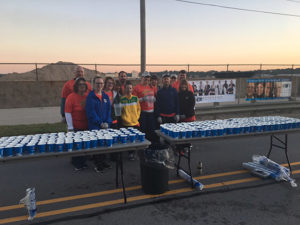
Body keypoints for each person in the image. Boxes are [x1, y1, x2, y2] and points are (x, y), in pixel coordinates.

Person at [86, 76, 112, 172]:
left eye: (101, 83)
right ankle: (98, 164)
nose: (99, 85)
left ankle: (103, 161)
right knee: (97, 145)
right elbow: (91, 113)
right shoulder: (90, 97)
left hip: (105, 126)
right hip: (95, 125)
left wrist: (107, 122)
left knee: (104, 144)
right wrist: (100, 123)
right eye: (97, 83)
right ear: (93, 84)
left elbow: (109, 111)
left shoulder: (105, 96)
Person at [65, 77, 89, 171]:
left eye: (84, 84)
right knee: (77, 146)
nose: (82, 86)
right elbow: (67, 113)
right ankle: (76, 163)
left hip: (86, 125)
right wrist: (70, 127)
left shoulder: (88, 96)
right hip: (76, 126)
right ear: (76, 86)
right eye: (80, 84)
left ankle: (83, 162)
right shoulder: (71, 97)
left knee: (84, 145)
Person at [133, 71, 156, 143]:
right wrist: (142, 99)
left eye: (148, 79)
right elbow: (133, 100)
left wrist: (154, 99)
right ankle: (142, 147)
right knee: (143, 130)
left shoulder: (151, 87)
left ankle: (150, 147)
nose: (147, 81)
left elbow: (153, 96)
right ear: (142, 78)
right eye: (145, 79)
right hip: (142, 113)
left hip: (151, 112)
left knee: (151, 130)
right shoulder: (137, 88)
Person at [120, 81, 141, 160]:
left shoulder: (135, 98)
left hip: (135, 122)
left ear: (132, 89)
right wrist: (125, 118)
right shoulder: (122, 99)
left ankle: (134, 153)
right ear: (125, 89)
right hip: (126, 123)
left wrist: (137, 117)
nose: (129, 90)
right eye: (127, 88)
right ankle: (130, 154)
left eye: (130, 88)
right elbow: (120, 112)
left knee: (135, 139)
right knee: (129, 139)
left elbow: (139, 109)